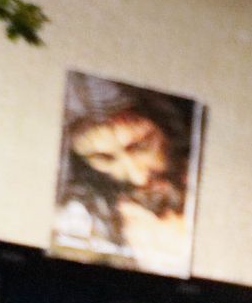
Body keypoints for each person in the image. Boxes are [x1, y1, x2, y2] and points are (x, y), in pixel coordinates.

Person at [54, 72, 198, 276]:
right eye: (103, 158)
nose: (138, 177)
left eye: (142, 146)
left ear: (166, 128)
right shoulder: (77, 216)